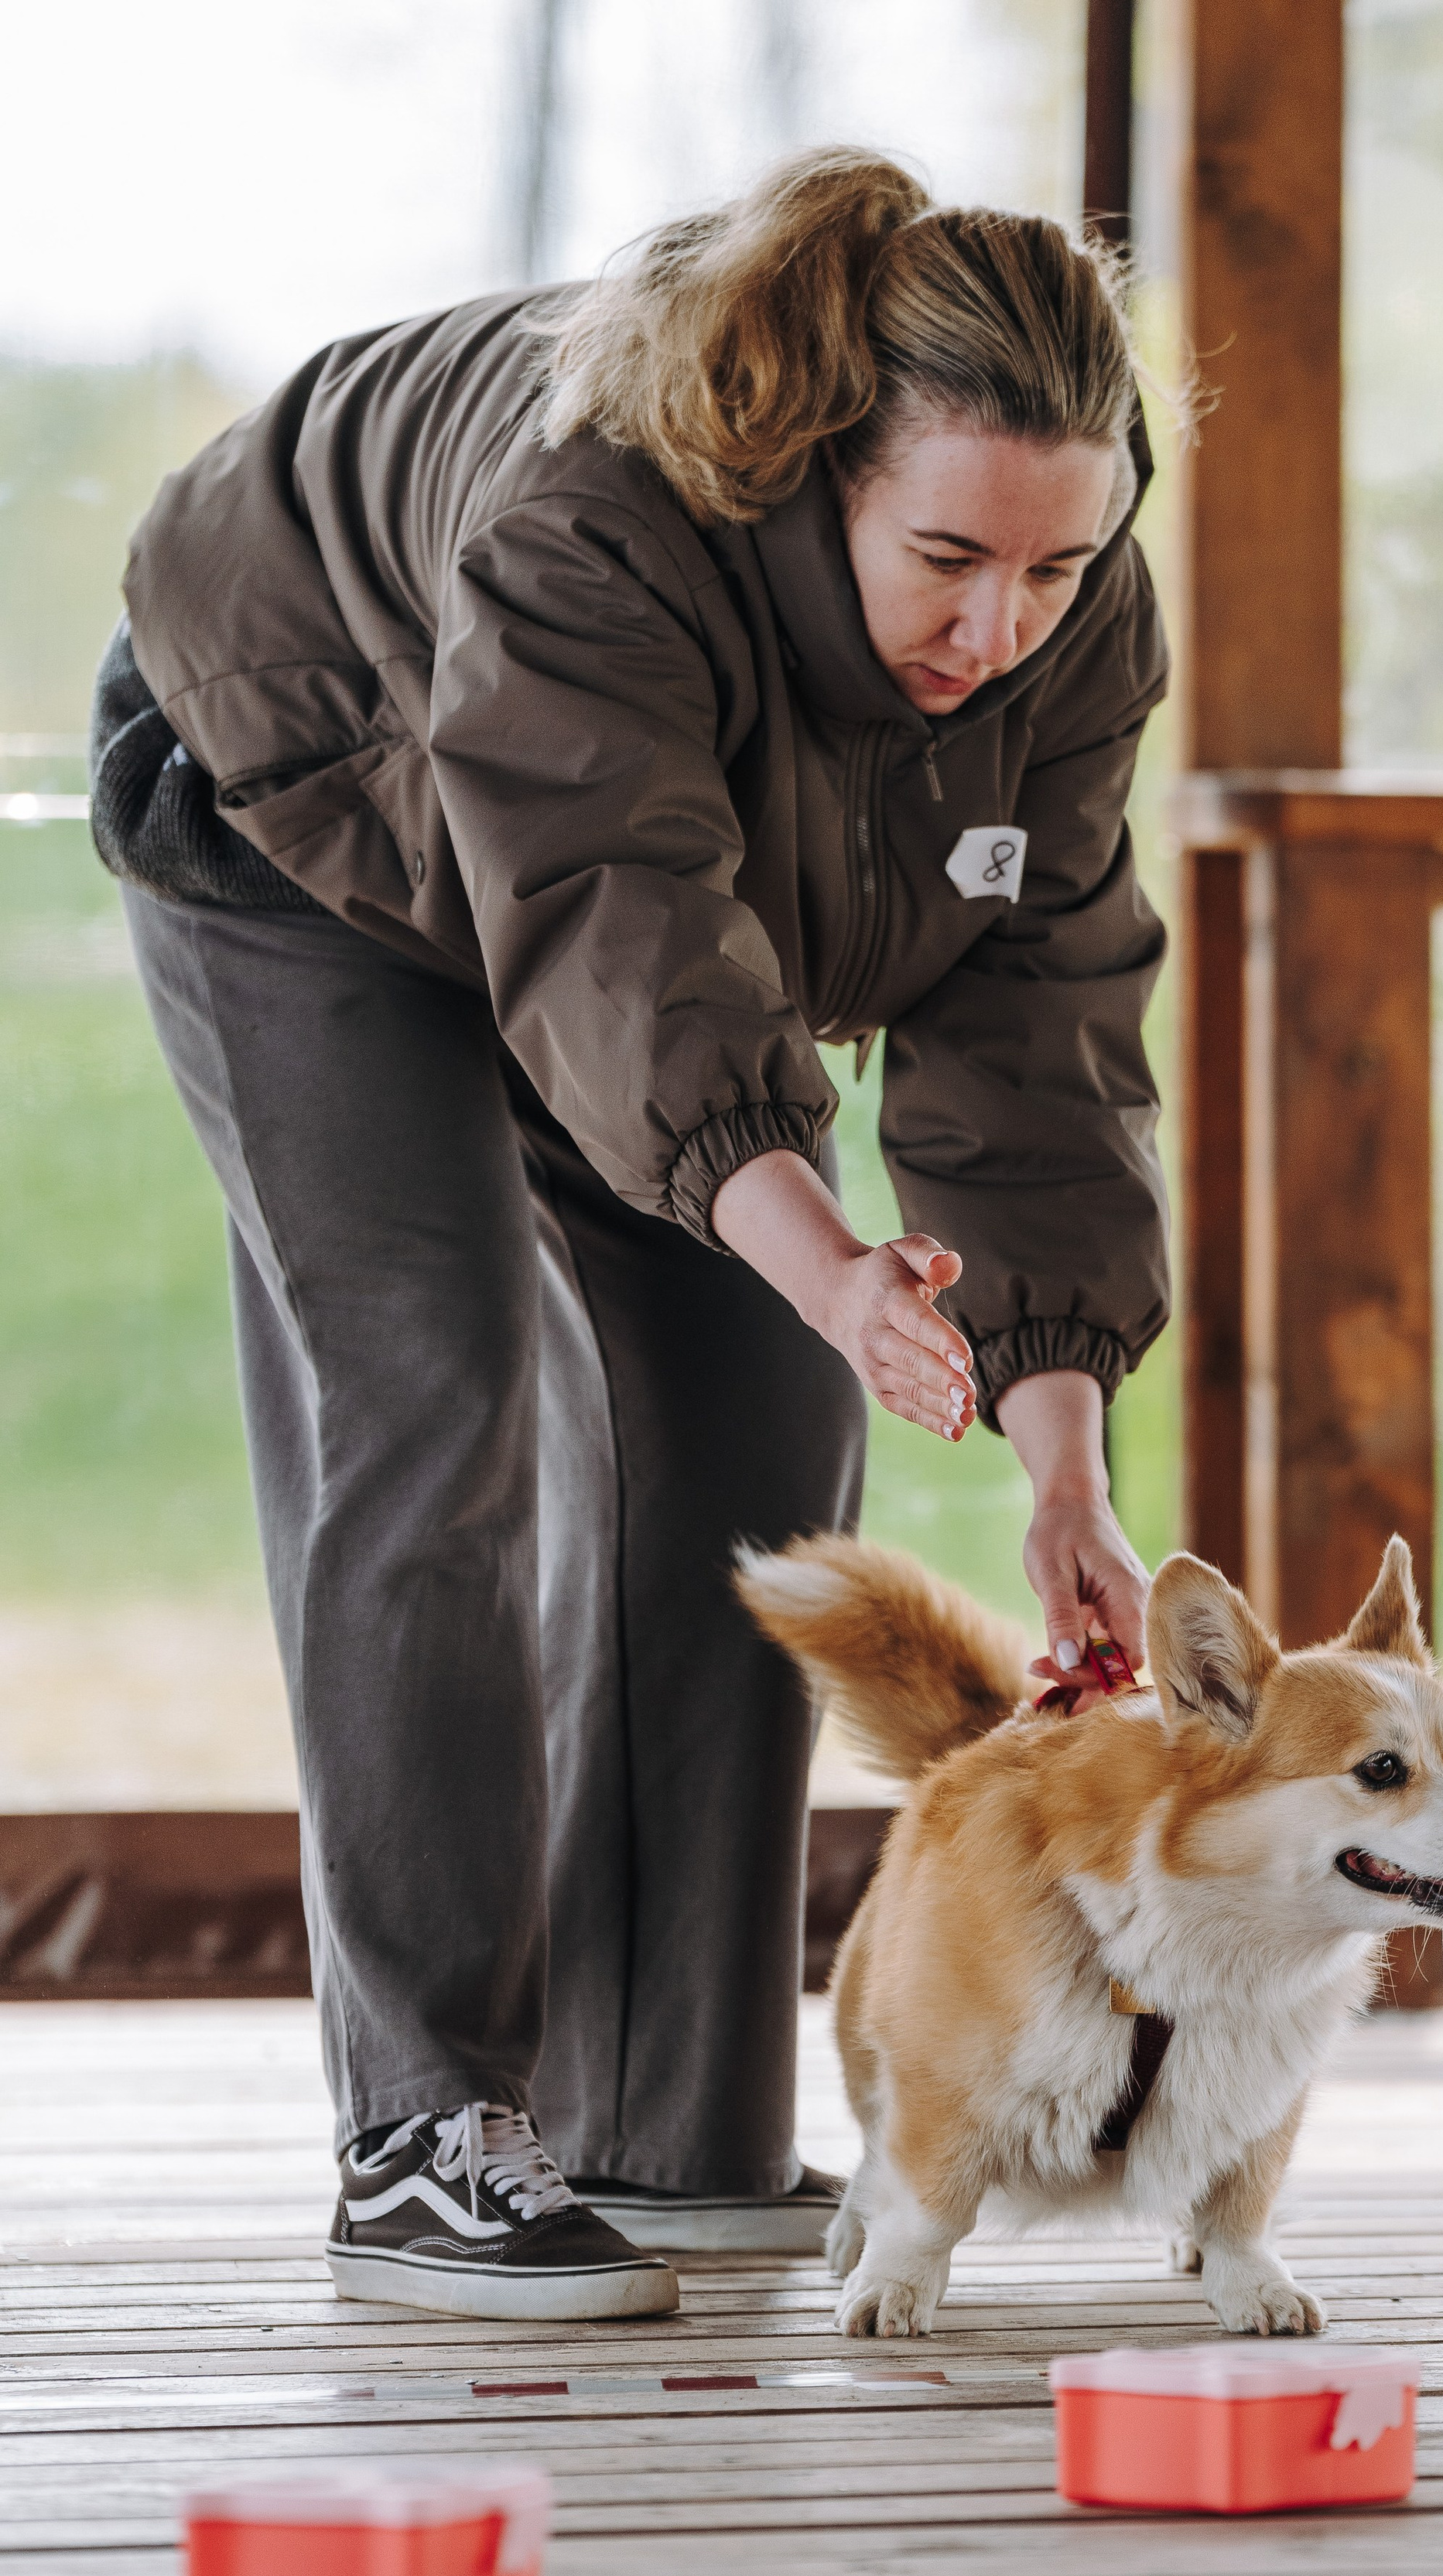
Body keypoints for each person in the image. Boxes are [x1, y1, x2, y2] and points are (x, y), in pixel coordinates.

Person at [89, 147, 1171, 2321]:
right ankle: (427, 2130)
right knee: (440, 1391)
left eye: (1054, 574)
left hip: (635, 908)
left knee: (769, 1423)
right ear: (818, 476)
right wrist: (829, 1246)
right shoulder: (591, 516)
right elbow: (618, 931)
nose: (1001, 631)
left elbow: (1035, 1009)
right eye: (946, 560)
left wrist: (1067, 1467)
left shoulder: (1064, 606)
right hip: (314, 813)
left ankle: (662, 2134)